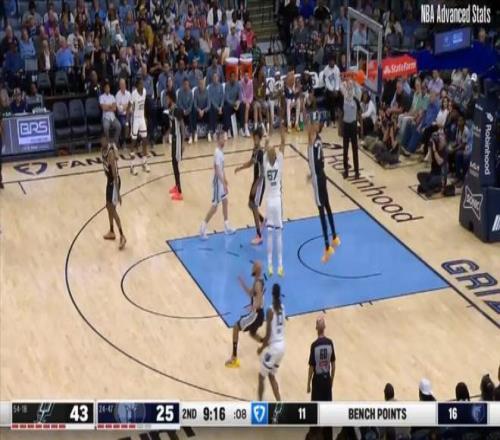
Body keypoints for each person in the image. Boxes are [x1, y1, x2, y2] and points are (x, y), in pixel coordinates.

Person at [308, 114, 341, 263]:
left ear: (316, 128)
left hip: (318, 178)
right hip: (321, 175)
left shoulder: (314, 141)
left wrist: (312, 174)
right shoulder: (319, 140)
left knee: (321, 209)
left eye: (313, 124)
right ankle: (335, 237)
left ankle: (327, 247)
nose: (310, 127)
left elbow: (315, 161)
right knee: (327, 206)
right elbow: (318, 161)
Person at [225, 260, 265, 368]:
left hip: (256, 314)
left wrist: (253, 306)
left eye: (254, 266)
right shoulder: (258, 280)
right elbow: (251, 293)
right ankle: (267, 343)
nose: (252, 267)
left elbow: (260, 300)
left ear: (256, 269)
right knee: (252, 333)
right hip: (259, 314)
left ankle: (234, 358)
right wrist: (242, 284)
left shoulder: (258, 284)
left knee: (236, 327)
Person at [200, 132, 235, 239]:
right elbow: (218, 170)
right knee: (215, 206)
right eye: (223, 138)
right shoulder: (217, 153)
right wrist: (223, 183)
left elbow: (222, 169)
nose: (225, 140)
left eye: (224, 138)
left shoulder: (220, 152)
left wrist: (225, 179)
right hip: (217, 183)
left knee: (225, 201)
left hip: (221, 181)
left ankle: (226, 226)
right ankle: (202, 227)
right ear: (218, 140)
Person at [234, 127, 266, 245]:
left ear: (260, 139)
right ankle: (263, 220)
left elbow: (263, 173)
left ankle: (259, 235)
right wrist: (240, 167)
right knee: (250, 204)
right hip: (256, 181)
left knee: (254, 206)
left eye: (256, 139)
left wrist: (256, 186)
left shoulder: (260, 152)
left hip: (260, 182)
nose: (255, 141)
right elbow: (251, 162)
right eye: (254, 139)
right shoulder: (255, 150)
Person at [307, 315, 335, 440]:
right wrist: (331, 380)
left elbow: (311, 367)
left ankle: (314, 435)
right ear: (325, 327)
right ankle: (328, 436)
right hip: (327, 379)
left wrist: (308, 383)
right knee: (328, 410)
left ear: (316, 328)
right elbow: (333, 365)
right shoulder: (330, 343)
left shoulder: (314, 345)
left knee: (316, 410)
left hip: (317, 381)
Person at [257, 283, 285, 401]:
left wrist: (261, 348)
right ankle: (280, 403)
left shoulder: (270, 310)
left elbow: (268, 335)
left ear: (272, 294)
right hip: (282, 346)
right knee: (271, 375)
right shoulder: (282, 307)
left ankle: (259, 404)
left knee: (261, 377)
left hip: (274, 348)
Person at [264, 127, 286, 277]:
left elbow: (266, 149)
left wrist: (268, 138)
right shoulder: (279, 164)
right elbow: (282, 146)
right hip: (277, 201)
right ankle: (280, 266)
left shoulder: (265, 165)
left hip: (269, 201)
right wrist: (282, 136)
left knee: (270, 234)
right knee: (279, 235)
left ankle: (270, 265)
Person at [102, 141, 126, 250]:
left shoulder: (111, 152)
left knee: (112, 209)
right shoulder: (104, 150)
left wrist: (118, 193)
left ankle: (122, 236)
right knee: (108, 206)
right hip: (109, 182)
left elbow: (115, 174)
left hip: (114, 183)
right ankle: (111, 231)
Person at [165, 91, 184, 201]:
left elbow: (182, 125)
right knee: (173, 162)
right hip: (173, 138)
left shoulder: (177, 110)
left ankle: (180, 192)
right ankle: (176, 186)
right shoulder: (170, 109)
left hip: (178, 139)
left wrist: (183, 143)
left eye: (167, 98)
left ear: (171, 99)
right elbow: (172, 125)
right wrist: (166, 134)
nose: (166, 100)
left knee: (175, 163)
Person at [417, 132, 447, 198]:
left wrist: (434, 150)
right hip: (432, 174)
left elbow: (439, 162)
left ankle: (428, 188)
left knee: (428, 183)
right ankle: (430, 189)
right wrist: (430, 149)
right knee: (419, 175)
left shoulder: (445, 150)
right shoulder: (434, 148)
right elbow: (428, 160)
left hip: (441, 177)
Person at [130, 78, 150, 174]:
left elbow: (144, 105)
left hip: (141, 118)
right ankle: (132, 165)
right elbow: (130, 106)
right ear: (137, 86)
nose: (143, 85)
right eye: (141, 84)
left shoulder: (145, 91)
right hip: (135, 119)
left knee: (145, 140)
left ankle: (144, 163)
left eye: (143, 83)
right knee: (133, 141)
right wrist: (127, 122)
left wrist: (145, 116)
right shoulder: (133, 94)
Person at [341, 79, 360, 179]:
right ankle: (346, 170)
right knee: (345, 149)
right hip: (346, 125)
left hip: (353, 125)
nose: (349, 87)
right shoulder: (344, 97)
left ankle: (356, 171)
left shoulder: (356, 99)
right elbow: (340, 86)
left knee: (354, 149)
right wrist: (345, 81)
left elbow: (359, 90)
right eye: (348, 85)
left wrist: (355, 83)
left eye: (350, 86)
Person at [99, 80, 121, 146]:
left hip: (113, 117)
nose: (107, 89)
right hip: (106, 117)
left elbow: (114, 109)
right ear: (104, 89)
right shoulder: (101, 97)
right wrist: (110, 106)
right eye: (106, 88)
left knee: (119, 126)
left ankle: (115, 143)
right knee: (106, 127)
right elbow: (103, 108)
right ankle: (108, 142)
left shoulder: (112, 97)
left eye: (108, 88)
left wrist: (107, 106)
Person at [223, 71, 242, 139]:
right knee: (226, 109)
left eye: (234, 77)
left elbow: (240, 97)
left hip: (235, 104)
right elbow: (227, 99)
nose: (233, 78)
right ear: (229, 78)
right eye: (232, 77)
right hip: (229, 104)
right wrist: (233, 103)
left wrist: (238, 102)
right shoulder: (227, 85)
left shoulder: (238, 84)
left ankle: (241, 128)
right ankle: (227, 130)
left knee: (242, 106)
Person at [322, 57, 341, 126]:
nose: (332, 62)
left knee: (342, 97)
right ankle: (333, 120)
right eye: (331, 61)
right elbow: (327, 82)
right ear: (329, 62)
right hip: (329, 89)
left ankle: (342, 118)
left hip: (336, 89)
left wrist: (336, 89)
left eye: (333, 61)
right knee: (331, 99)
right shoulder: (326, 70)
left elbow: (338, 80)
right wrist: (332, 90)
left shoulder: (337, 69)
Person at [115, 78, 132, 150]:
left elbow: (131, 106)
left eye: (124, 84)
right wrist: (126, 106)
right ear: (119, 85)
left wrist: (124, 106)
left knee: (136, 122)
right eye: (121, 84)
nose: (123, 85)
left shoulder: (128, 94)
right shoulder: (117, 95)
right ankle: (123, 142)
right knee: (124, 124)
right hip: (121, 115)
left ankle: (136, 142)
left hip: (129, 114)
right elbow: (119, 109)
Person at [208, 72, 224, 142]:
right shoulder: (210, 87)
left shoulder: (221, 86)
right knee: (212, 109)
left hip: (220, 106)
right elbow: (211, 100)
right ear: (212, 79)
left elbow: (222, 97)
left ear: (218, 78)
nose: (215, 79)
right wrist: (218, 108)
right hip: (214, 106)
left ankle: (226, 131)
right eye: (214, 77)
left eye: (216, 77)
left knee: (226, 109)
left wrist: (221, 107)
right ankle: (213, 131)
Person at [192, 78, 210, 143]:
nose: (201, 85)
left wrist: (203, 111)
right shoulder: (195, 91)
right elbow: (195, 104)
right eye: (200, 84)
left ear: (205, 85)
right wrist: (199, 110)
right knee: (193, 111)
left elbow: (209, 105)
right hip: (198, 110)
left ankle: (209, 132)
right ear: (198, 84)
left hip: (205, 111)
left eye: (203, 84)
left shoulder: (207, 91)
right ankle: (195, 132)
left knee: (211, 111)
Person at [178, 78, 194, 144]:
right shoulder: (180, 92)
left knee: (191, 116)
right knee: (179, 113)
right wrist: (184, 111)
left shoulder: (191, 93)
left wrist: (187, 111)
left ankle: (190, 136)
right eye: (184, 84)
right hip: (182, 110)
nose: (186, 86)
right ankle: (182, 135)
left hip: (188, 111)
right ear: (183, 85)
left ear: (188, 85)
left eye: (187, 84)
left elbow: (191, 104)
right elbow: (179, 103)